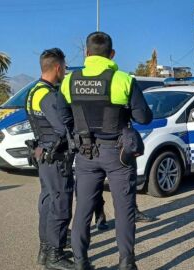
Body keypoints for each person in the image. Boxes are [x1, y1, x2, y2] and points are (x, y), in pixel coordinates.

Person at [60, 32, 153, 270]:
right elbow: (143, 117)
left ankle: (81, 262)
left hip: (85, 153)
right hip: (118, 153)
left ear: (87, 53)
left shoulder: (69, 81)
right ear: (112, 54)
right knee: (124, 210)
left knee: (83, 209)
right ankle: (126, 263)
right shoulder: (123, 79)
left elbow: (64, 117)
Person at [25, 48, 74, 270]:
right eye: (64, 67)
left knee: (47, 201)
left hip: (43, 154)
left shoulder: (33, 91)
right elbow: (62, 128)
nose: (64, 71)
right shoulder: (49, 95)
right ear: (57, 67)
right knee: (60, 204)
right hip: (56, 157)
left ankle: (45, 250)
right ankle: (55, 254)